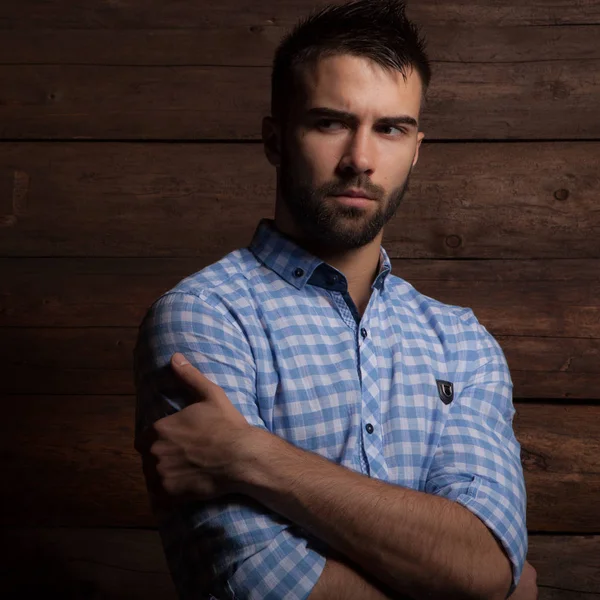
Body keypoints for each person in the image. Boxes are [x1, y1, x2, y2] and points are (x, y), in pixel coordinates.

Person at [134, 1, 538, 598]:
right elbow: (257, 583)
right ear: (275, 139)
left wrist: (252, 456)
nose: (360, 160)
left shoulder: (462, 342)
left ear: (417, 148)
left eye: (390, 128)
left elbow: (485, 564)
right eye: (329, 123)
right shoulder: (206, 317)